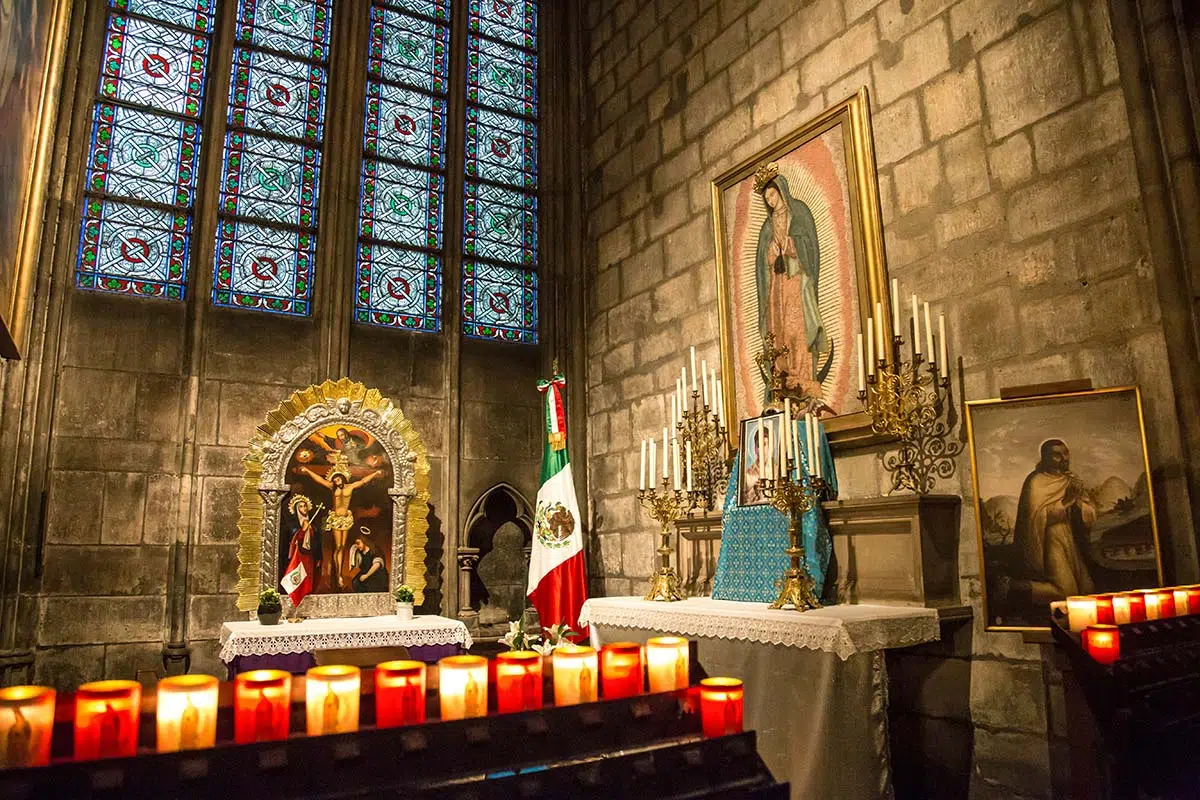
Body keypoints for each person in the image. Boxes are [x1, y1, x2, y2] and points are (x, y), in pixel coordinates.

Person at [754, 163, 830, 394]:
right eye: (766, 196)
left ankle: (804, 375)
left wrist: (790, 245)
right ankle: (784, 375)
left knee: (796, 327)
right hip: (777, 284)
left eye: (772, 193)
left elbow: (809, 246)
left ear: (781, 191)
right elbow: (762, 263)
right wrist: (771, 253)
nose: (769, 199)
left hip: (796, 278)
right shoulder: (767, 227)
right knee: (780, 329)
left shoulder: (799, 213)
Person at [1012, 439, 1097, 605]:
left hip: (1069, 538)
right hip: (1049, 538)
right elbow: (1036, 517)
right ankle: (1014, 587)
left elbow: (1090, 514)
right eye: (1057, 455)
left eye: (1066, 453)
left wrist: (1079, 502)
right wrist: (1067, 501)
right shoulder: (1036, 482)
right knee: (1067, 592)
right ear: (1046, 458)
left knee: (1087, 589)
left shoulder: (1070, 479)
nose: (1064, 458)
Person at [300, 455, 384, 590]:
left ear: (343, 478)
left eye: (338, 478)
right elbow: (319, 480)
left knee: (343, 546)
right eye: (334, 479)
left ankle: (339, 574)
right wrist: (307, 471)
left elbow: (362, 481)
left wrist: (375, 473)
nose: (336, 481)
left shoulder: (349, 487)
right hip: (336, 519)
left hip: (346, 519)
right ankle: (338, 574)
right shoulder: (332, 487)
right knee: (338, 546)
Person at [281, 494, 321, 606]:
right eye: (301, 507)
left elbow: (317, 543)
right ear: (296, 509)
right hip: (297, 556)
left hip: (309, 556)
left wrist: (319, 557)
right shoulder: (291, 526)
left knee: (309, 576)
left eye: (305, 506)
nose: (304, 509)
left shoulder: (313, 525)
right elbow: (291, 541)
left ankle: (308, 599)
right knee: (297, 577)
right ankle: (295, 600)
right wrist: (303, 530)